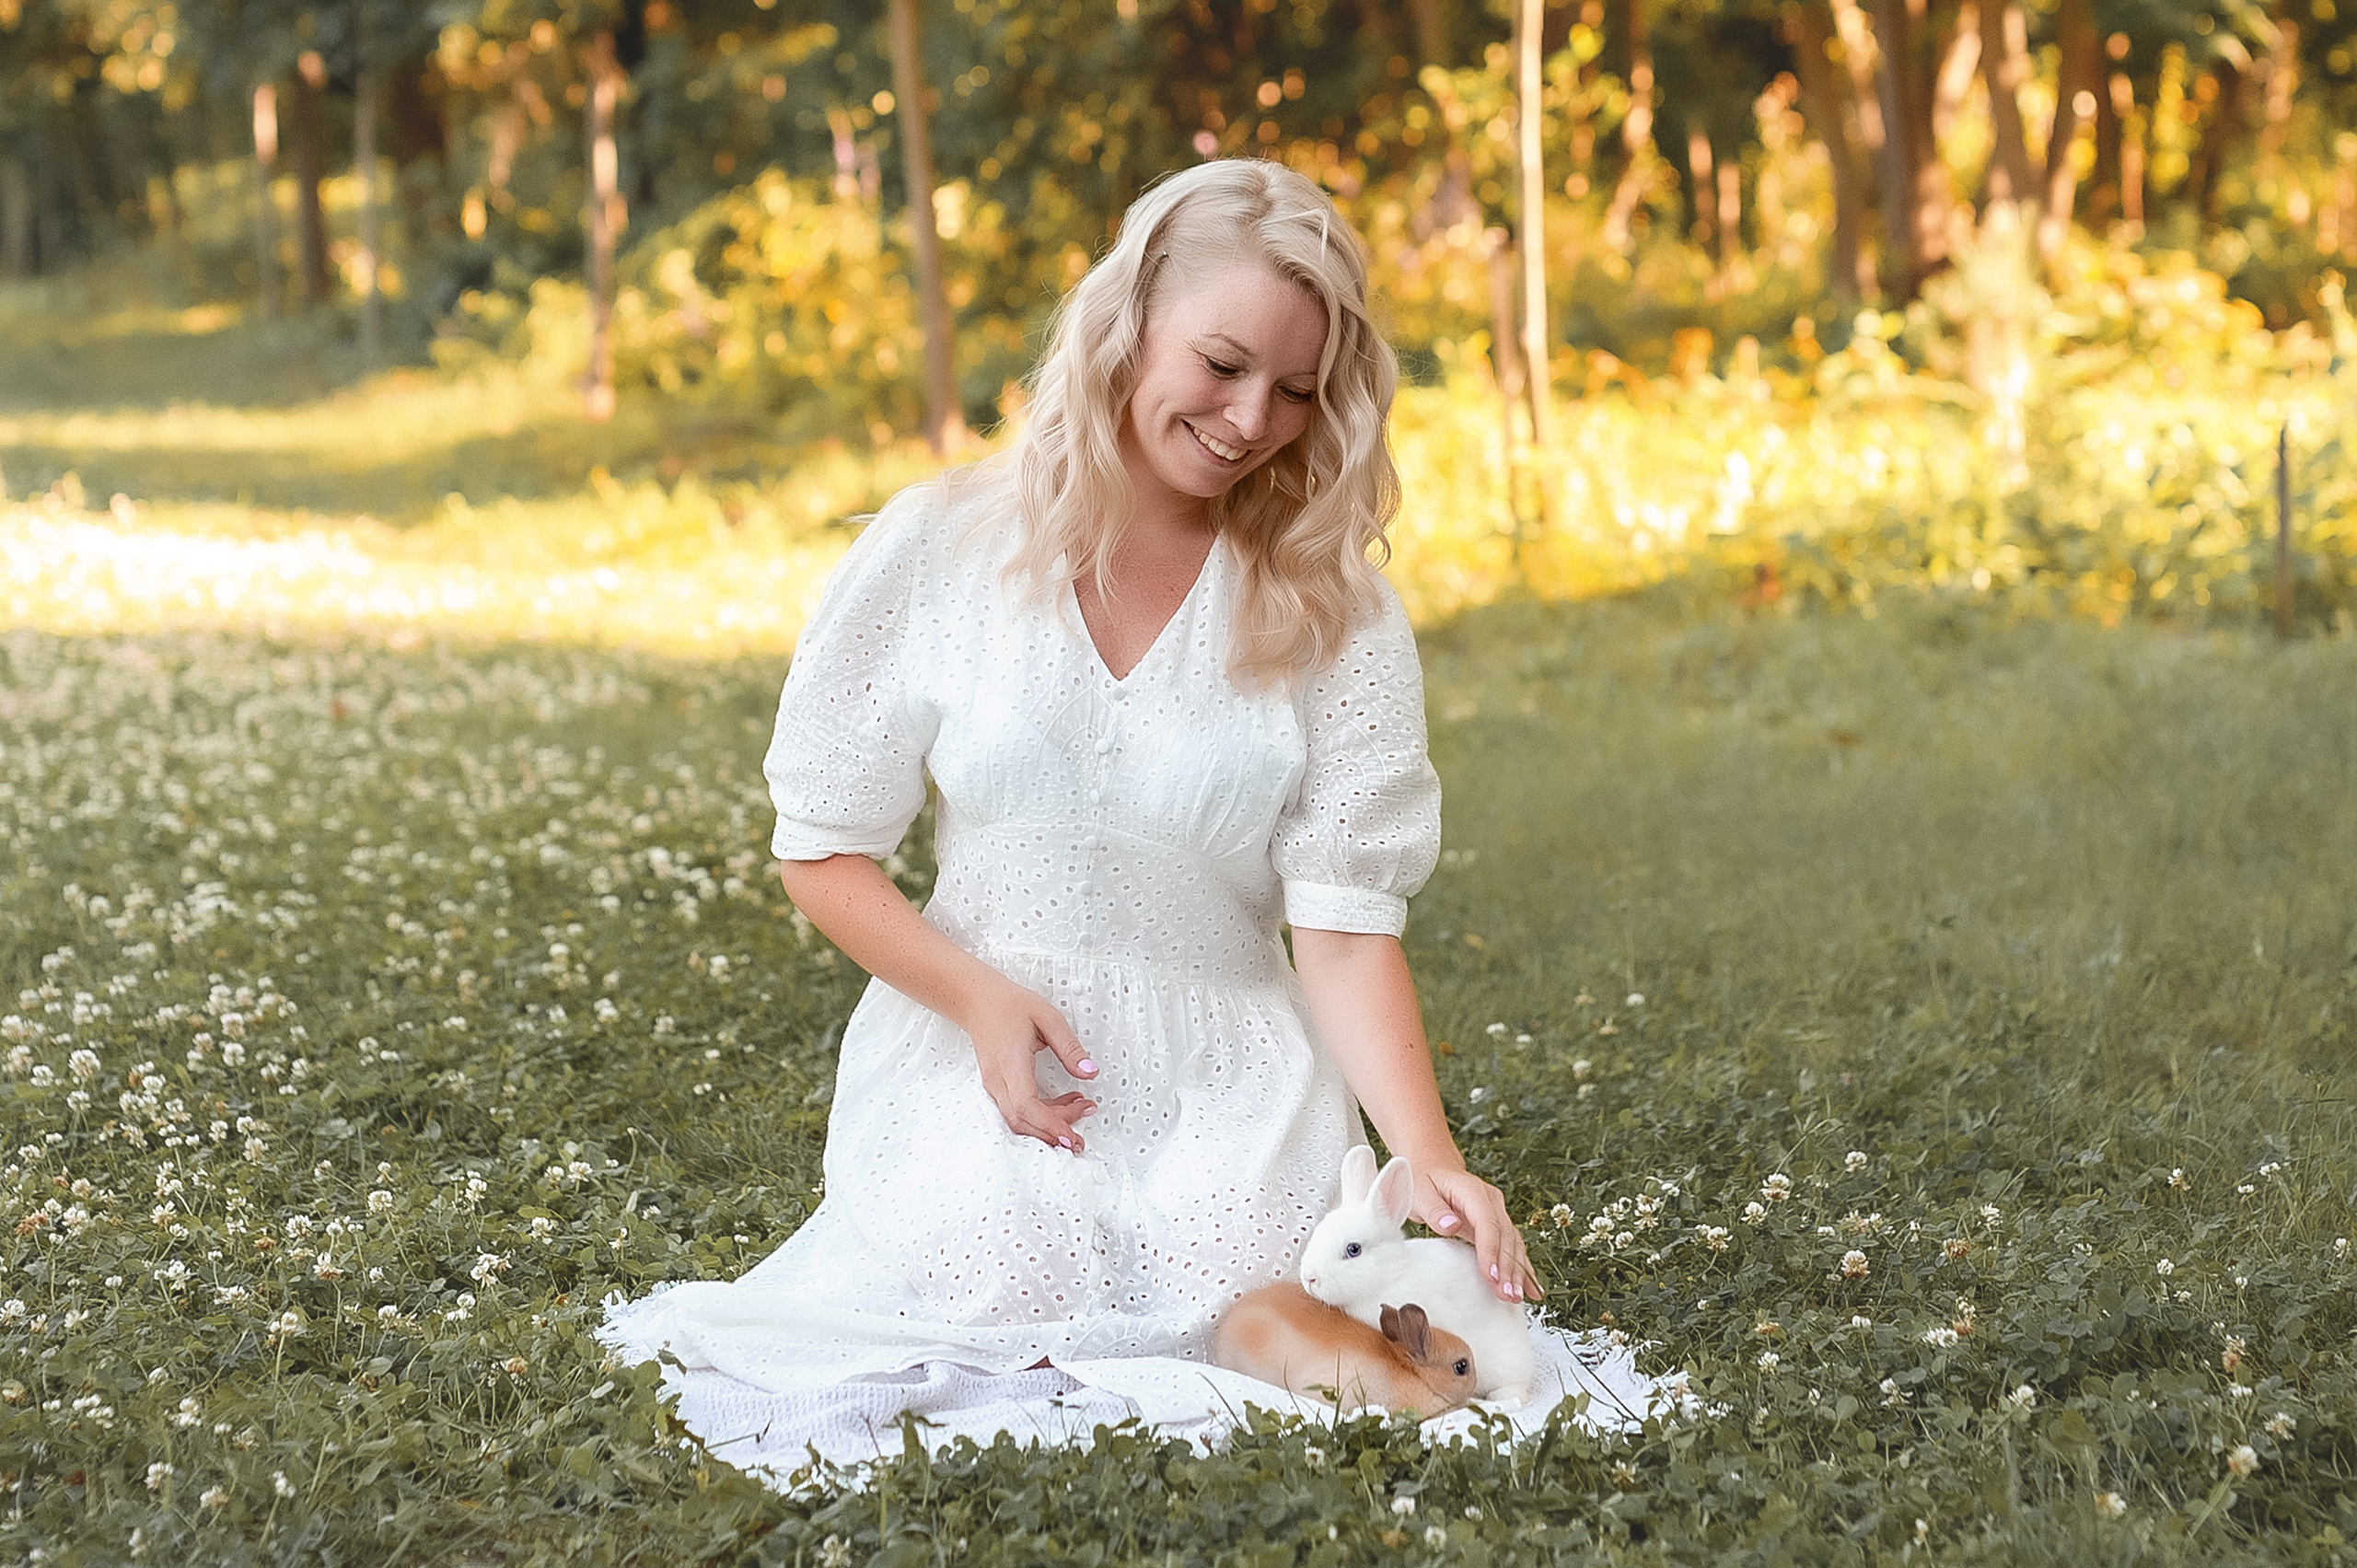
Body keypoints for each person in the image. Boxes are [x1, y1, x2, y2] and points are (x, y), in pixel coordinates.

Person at [598, 159, 1583, 1469]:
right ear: (1128, 327)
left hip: (1234, 1086)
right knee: (973, 1283)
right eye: (1223, 363)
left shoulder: (1330, 610)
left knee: (1253, 1307)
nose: (1252, 419)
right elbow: (824, 851)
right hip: (978, 1065)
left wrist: (1426, 1157)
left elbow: (1343, 929)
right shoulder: (938, 549)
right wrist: (980, 1002)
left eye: (1298, 390)